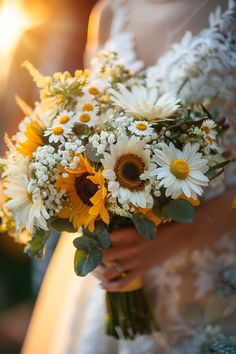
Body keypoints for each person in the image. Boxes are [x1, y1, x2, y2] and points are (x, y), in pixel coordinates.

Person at [22, 1, 236, 353]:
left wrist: (177, 238)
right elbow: (89, 125)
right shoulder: (110, 12)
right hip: (118, 279)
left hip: (213, 279)